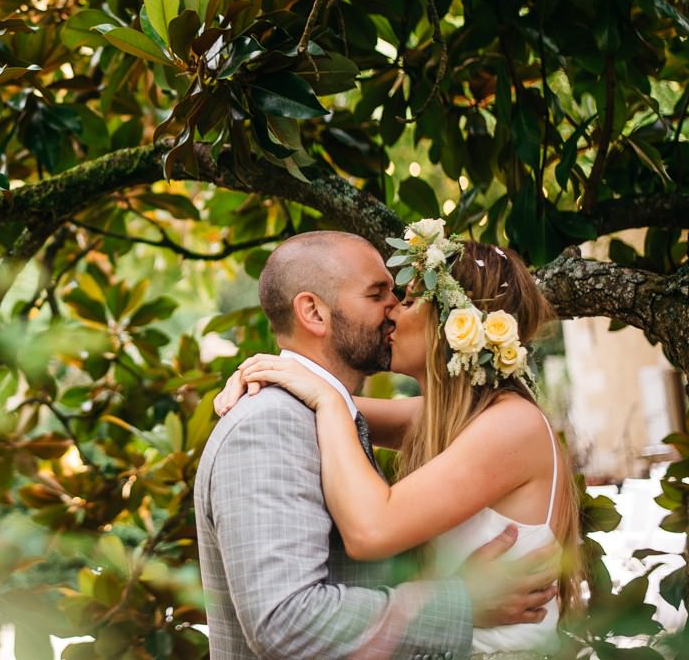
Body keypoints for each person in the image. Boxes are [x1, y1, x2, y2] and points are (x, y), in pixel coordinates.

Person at [211, 221, 580, 659]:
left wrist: (327, 400)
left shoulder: (510, 426)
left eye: (406, 299)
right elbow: (315, 406)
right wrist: (260, 375)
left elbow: (370, 529)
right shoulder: (451, 420)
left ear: (454, 322)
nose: (391, 311)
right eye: (381, 295)